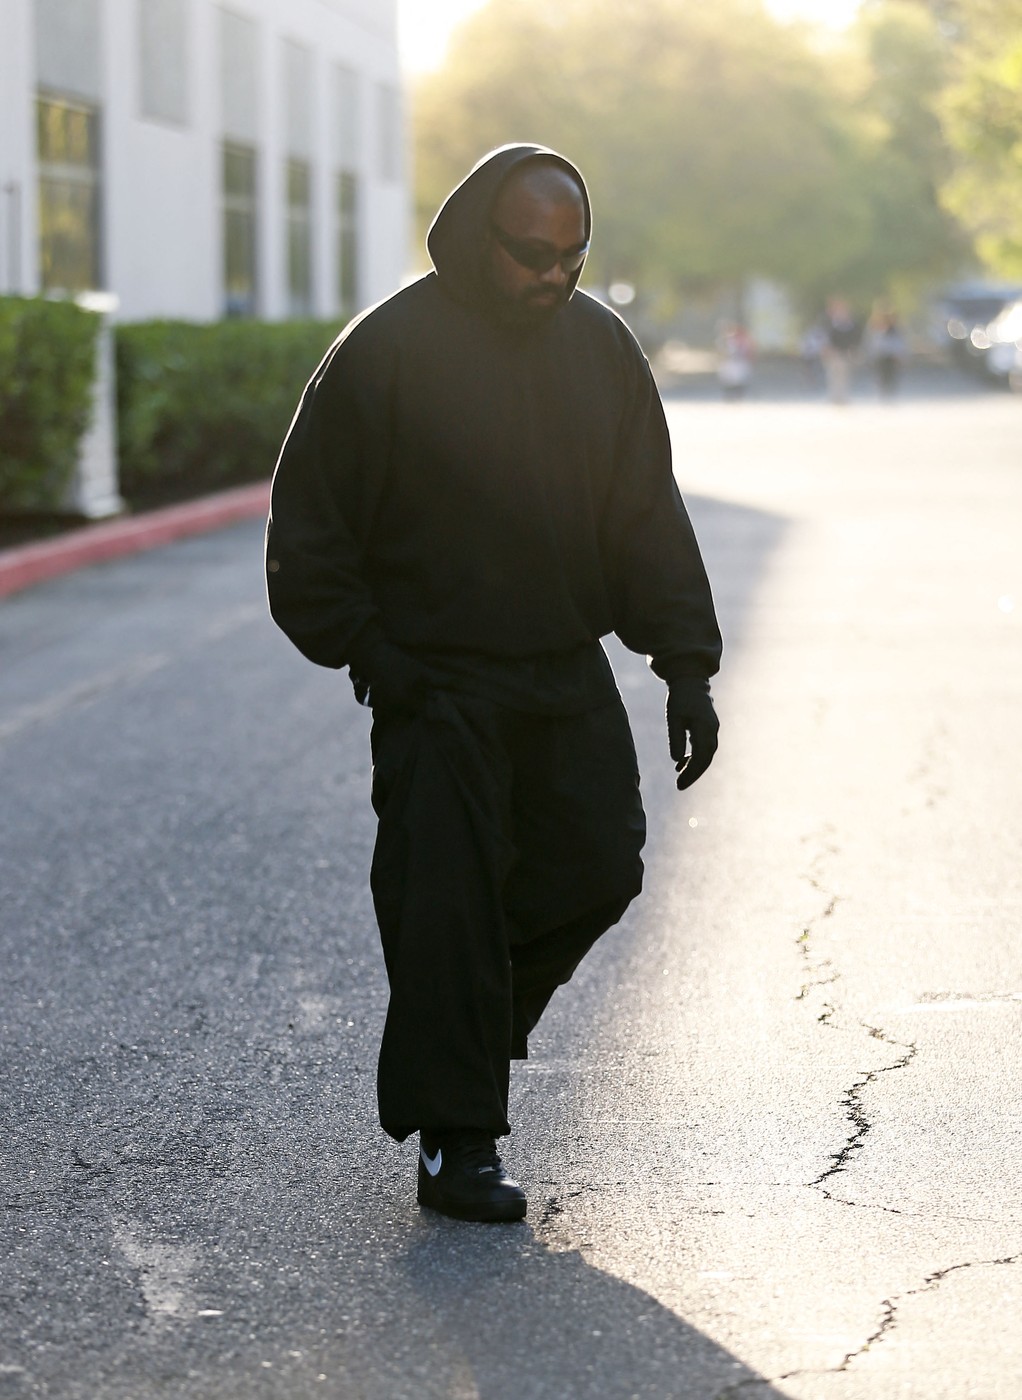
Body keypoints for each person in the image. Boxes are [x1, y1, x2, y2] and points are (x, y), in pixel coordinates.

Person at [264, 144, 722, 1224]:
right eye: (533, 256)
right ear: (480, 236)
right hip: (437, 685)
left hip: (560, 670)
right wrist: (379, 659)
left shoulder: (600, 348)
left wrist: (686, 665)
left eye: (573, 257)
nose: (555, 278)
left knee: (597, 865)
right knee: (448, 907)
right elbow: (311, 532)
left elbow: (643, 516)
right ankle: (454, 1140)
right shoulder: (383, 352)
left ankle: (454, 1034)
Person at [820, 296, 862, 404]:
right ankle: (834, 397)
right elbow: (826, 340)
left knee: (845, 376)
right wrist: (827, 351)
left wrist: (853, 351)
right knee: (833, 376)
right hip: (834, 354)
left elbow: (856, 340)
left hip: (846, 354)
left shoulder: (853, 326)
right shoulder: (830, 325)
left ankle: (843, 397)